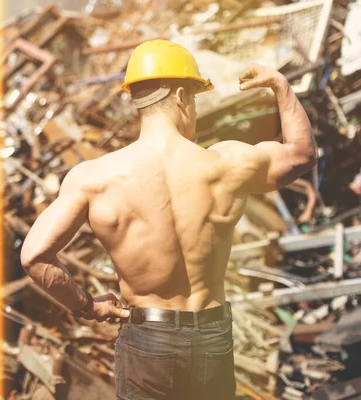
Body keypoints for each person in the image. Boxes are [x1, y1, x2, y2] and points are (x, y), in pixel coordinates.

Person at [20, 39, 317, 399]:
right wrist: (280, 87)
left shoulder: (95, 178)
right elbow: (301, 154)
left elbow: (35, 257)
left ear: (136, 100)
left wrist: (87, 306)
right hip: (211, 338)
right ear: (180, 97)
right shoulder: (227, 164)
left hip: (148, 340)